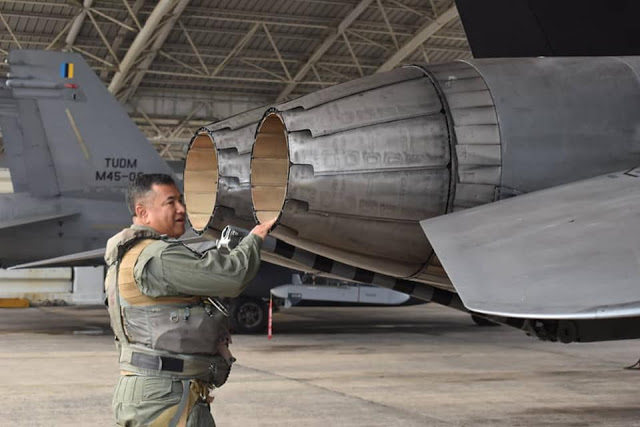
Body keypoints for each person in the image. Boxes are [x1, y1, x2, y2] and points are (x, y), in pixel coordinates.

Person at [104, 173, 275, 426]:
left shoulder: (126, 255)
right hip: (166, 394)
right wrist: (255, 239)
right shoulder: (159, 256)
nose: (181, 209)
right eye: (170, 202)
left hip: (147, 388)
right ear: (143, 212)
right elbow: (231, 276)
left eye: (180, 201)